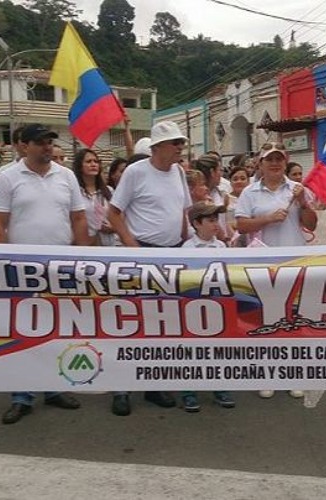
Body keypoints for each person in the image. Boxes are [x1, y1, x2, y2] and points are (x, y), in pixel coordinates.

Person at [0, 123, 89, 425]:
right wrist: (3, 261)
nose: (47, 147)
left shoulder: (67, 175)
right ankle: (21, 396)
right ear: (23, 146)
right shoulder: (7, 177)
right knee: (24, 331)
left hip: (60, 265)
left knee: (58, 329)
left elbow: (79, 218)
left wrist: (82, 257)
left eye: (49, 141)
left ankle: (55, 389)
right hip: (22, 267)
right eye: (40, 142)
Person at [107, 120, 192, 416]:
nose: (180, 147)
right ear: (157, 147)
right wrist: (133, 248)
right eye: (175, 143)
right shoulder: (135, 172)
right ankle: (121, 389)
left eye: (181, 142)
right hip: (141, 255)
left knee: (160, 325)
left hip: (171, 256)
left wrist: (185, 242)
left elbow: (183, 211)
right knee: (130, 323)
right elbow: (114, 213)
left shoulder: (179, 172)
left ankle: (153, 385)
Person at [236, 142, 317, 399]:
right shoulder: (250, 192)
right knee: (266, 319)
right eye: (269, 159)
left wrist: (304, 202)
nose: (274, 163)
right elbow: (241, 225)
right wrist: (268, 219)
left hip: (294, 261)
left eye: (278, 159)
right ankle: (267, 373)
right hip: (261, 263)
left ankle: (294, 374)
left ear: (285, 161)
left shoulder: (297, 189)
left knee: (294, 318)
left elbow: (311, 224)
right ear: (260, 163)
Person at [180, 201, 235, 411]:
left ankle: (219, 387)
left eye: (216, 220)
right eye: (210, 220)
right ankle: (188, 391)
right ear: (196, 223)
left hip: (217, 305)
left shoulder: (221, 246)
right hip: (193, 306)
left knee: (218, 348)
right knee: (190, 349)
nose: (215, 224)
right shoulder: (187, 249)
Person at [73, 148, 117, 246]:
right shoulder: (74, 191)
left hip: (108, 245)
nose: (93, 164)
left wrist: (113, 227)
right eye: (88, 162)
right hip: (83, 245)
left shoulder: (109, 191)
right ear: (79, 166)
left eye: (96, 161)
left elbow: (118, 216)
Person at [195, 153, 233, 243]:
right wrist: (223, 238)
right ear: (212, 172)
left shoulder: (220, 192)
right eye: (220, 170)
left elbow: (224, 221)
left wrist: (232, 237)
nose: (221, 174)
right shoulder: (200, 197)